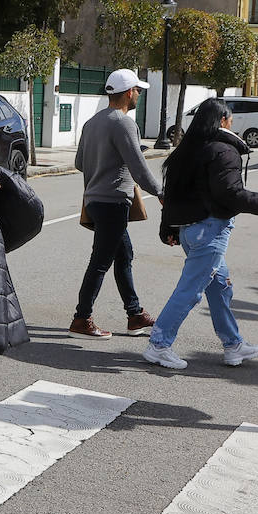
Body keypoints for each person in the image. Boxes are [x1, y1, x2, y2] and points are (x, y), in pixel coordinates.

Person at [145, 98, 258, 370]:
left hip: (189, 231)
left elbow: (171, 194)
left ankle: (233, 345)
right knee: (190, 290)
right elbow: (230, 193)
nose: (232, 123)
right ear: (223, 122)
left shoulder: (187, 150)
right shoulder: (223, 151)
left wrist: (168, 226)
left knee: (218, 289)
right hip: (209, 231)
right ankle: (159, 344)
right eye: (230, 119)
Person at [69, 68, 163, 340]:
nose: (139, 96)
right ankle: (81, 319)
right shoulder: (123, 123)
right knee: (100, 262)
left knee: (123, 256)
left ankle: (135, 315)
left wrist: (104, 162)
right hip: (113, 203)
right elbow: (138, 166)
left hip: (96, 201)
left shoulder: (92, 122)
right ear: (129, 92)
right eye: (138, 91)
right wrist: (160, 192)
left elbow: (78, 163)